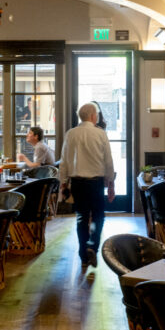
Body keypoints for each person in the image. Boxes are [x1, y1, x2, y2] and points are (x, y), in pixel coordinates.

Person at [59, 102, 115, 267]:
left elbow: (64, 161)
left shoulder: (71, 134)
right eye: (96, 114)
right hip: (96, 182)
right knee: (98, 215)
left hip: (77, 182)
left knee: (81, 217)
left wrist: (63, 183)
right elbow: (108, 161)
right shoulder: (100, 134)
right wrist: (110, 181)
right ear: (93, 116)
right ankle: (93, 246)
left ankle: (83, 254)